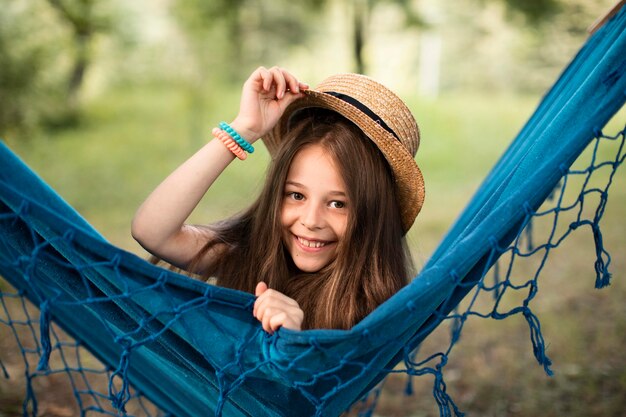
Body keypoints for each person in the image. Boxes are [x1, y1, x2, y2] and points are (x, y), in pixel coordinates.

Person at [131, 66, 425, 333]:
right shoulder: (248, 254)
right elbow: (152, 231)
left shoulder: (376, 307)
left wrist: (293, 343)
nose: (310, 221)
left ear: (373, 214)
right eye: (296, 195)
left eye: (338, 203)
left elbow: (321, 388)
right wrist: (245, 127)